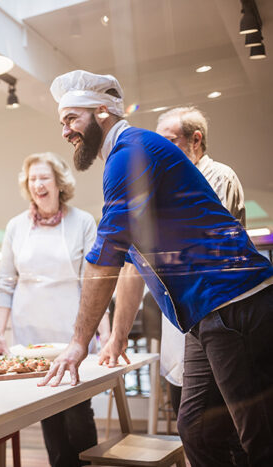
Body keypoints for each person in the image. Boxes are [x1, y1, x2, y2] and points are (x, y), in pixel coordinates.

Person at [39, 69, 273, 466]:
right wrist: (116, 336)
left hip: (233, 305)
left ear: (102, 112)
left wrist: (79, 342)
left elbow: (106, 255)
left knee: (260, 439)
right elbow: (131, 263)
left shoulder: (132, 153)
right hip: (202, 316)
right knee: (197, 428)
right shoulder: (126, 155)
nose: (65, 132)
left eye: (71, 119)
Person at [0, 152, 109, 467]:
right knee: (47, 408)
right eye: (32, 179)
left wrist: (106, 334)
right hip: (30, 332)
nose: (37, 184)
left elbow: (94, 282)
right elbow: (5, 284)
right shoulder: (16, 227)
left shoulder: (82, 221)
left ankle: (86, 464)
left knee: (77, 409)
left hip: (72, 327)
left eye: (44, 177)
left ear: (59, 183)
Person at [156, 107, 248, 465]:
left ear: (195, 140)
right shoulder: (171, 185)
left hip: (220, 316)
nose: (162, 153)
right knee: (197, 424)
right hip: (192, 319)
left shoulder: (217, 176)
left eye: (171, 142)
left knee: (220, 425)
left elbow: (207, 245)